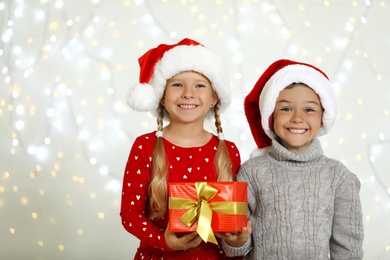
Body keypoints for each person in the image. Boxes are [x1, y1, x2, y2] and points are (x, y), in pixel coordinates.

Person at [220, 59, 364, 259]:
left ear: (323, 115)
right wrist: (237, 241)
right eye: (286, 108)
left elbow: (348, 247)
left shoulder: (338, 177)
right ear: (271, 115)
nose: (297, 118)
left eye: (309, 109)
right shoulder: (251, 172)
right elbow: (234, 244)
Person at [120, 38, 244, 259]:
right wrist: (162, 240)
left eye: (200, 85)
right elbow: (130, 213)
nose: (188, 93)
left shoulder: (229, 151)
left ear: (214, 97)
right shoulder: (144, 146)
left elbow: (233, 219)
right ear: (162, 97)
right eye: (177, 84)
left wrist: (238, 239)